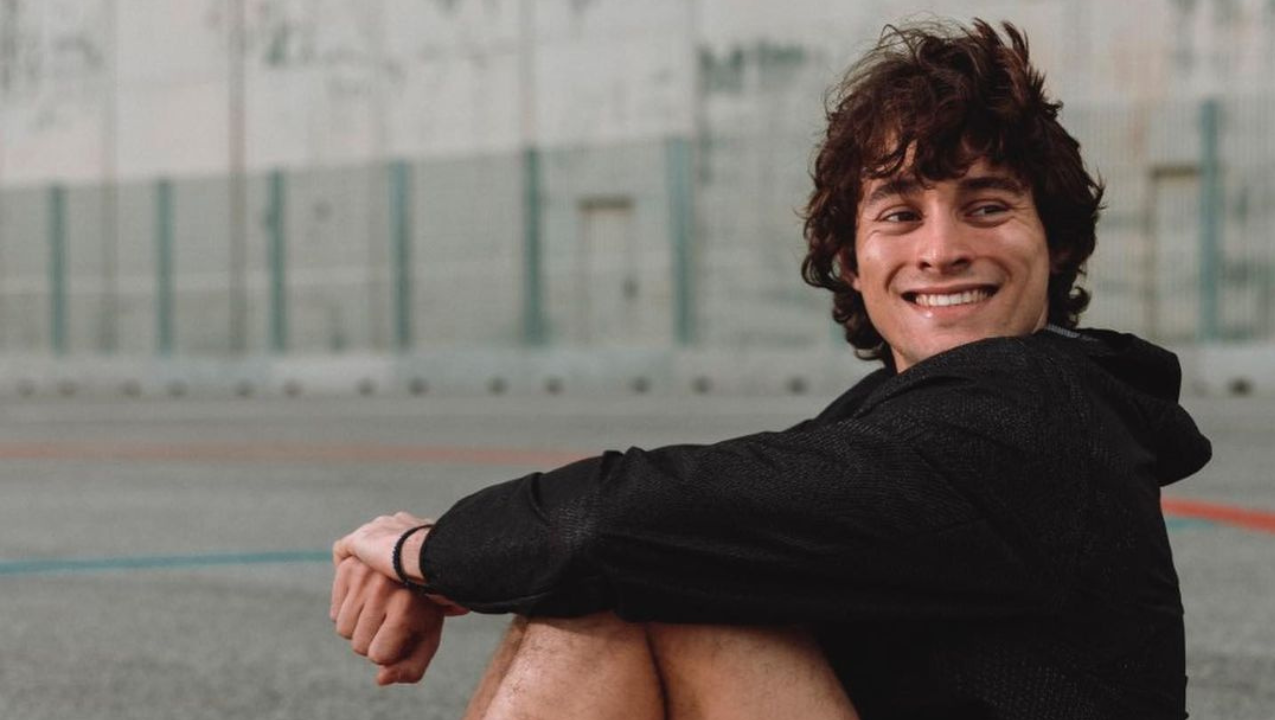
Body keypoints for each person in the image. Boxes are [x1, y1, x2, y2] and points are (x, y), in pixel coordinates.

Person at [330, 19, 1211, 719]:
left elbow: (622, 523)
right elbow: (693, 522)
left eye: (986, 207)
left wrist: (425, 553)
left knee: (642, 568)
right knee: (670, 566)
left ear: (1057, 245)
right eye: (900, 214)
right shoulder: (898, 414)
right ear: (852, 260)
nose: (941, 249)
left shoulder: (1035, 414)